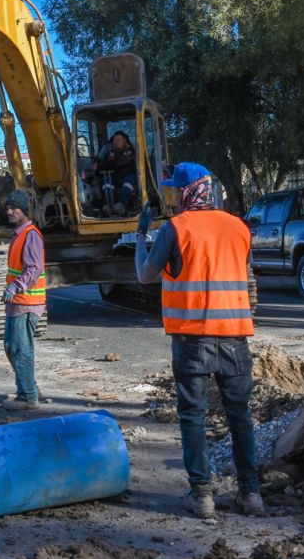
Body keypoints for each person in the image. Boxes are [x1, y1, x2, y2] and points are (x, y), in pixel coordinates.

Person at [134, 162, 262, 520]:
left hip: (192, 338)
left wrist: (142, 237)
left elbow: (145, 276)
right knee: (241, 416)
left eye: (175, 191)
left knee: (193, 416)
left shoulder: (176, 228)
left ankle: (202, 495)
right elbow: (245, 273)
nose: (173, 198)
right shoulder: (239, 227)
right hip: (235, 337)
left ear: (187, 192)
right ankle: (251, 495)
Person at [1, 190, 48, 411]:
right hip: (18, 301)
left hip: (27, 301)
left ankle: (27, 397)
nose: (9, 211)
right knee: (11, 347)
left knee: (21, 348)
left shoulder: (30, 234)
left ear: (24, 211)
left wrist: (16, 285)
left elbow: (34, 267)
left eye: (14, 208)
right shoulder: (19, 234)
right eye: (8, 208)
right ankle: (30, 389)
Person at [91, 130, 138, 215]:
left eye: (119, 139)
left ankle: (121, 204)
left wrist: (117, 162)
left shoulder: (131, 152)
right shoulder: (109, 153)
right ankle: (107, 206)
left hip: (127, 175)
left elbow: (132, 163)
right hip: (113, 176)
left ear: (124, 141)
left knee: (129, 180)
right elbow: (102, 167)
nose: (117, 142)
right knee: (105, 181)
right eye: (115, 140)